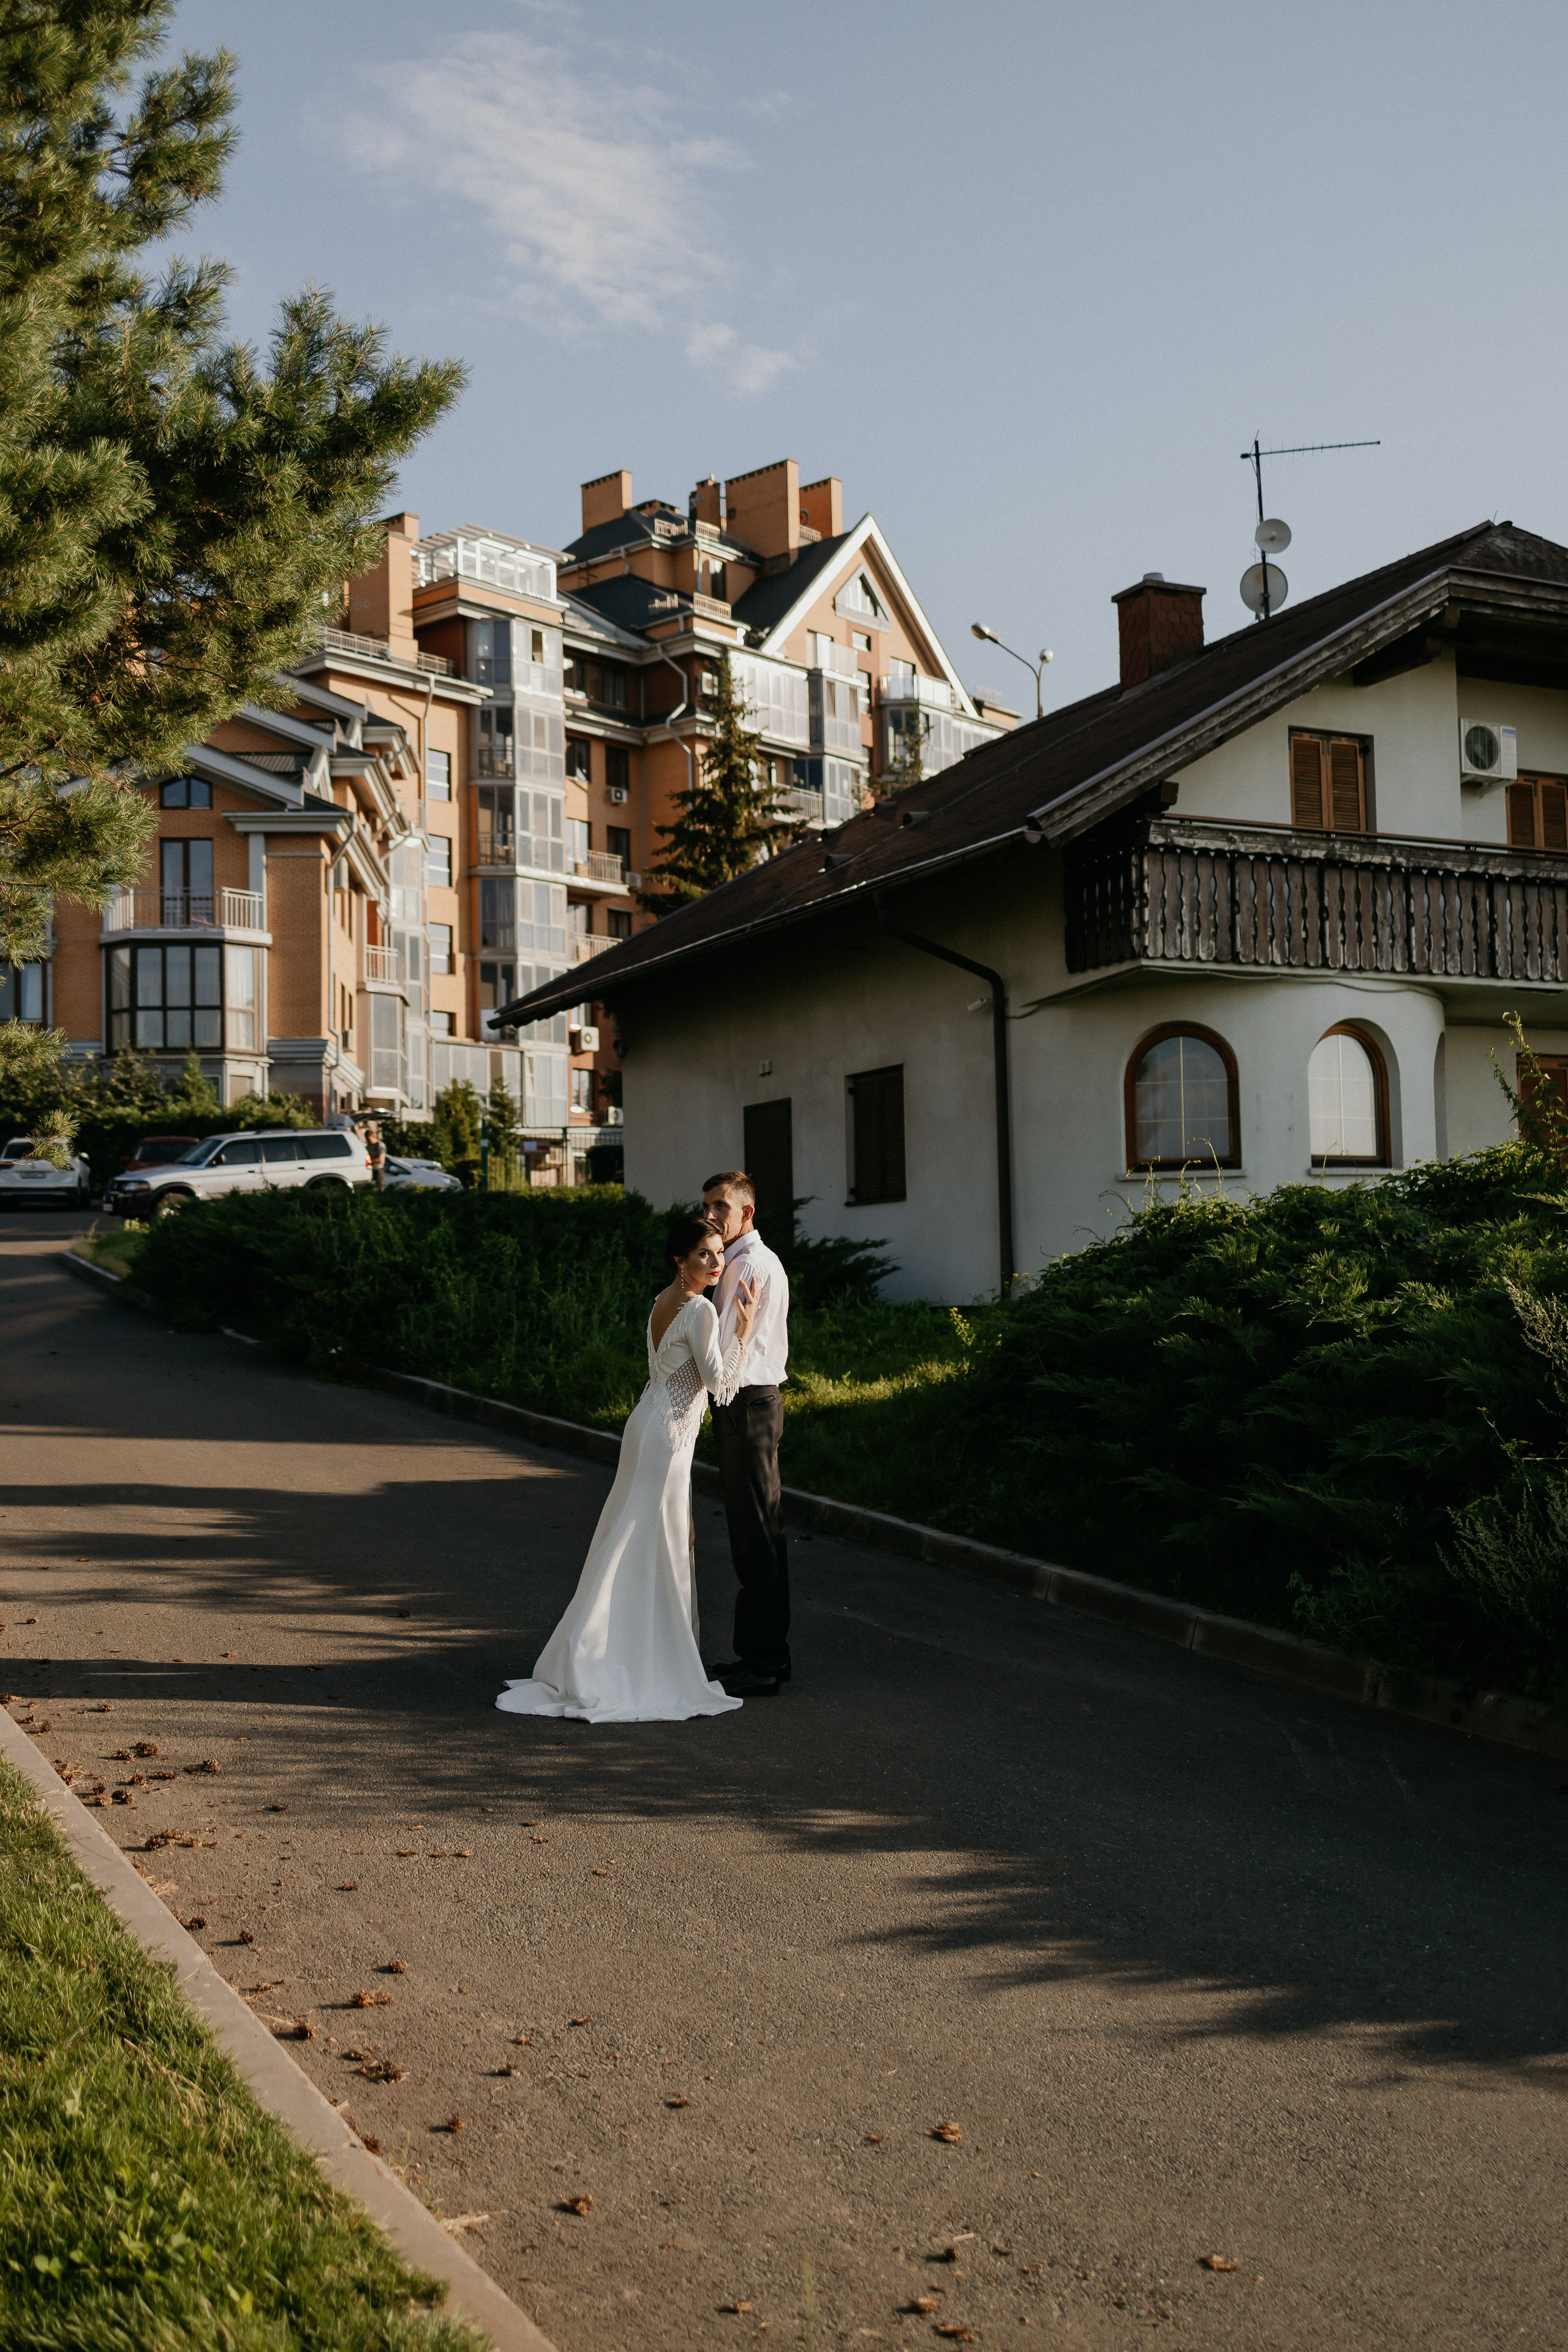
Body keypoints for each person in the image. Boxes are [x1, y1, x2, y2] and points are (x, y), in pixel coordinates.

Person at [495, 1215, 755, 1724]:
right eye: (705, 1254)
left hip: (647, 1424)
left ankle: (602, 1651)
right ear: (680, 1259)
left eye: (720, 1252)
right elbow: (720, 1383)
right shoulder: (700, 1308)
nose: (717, 1263)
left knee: (633, 1534)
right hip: (668, 1436)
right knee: (649, 1539)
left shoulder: (662, 1301)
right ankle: (631, 1663)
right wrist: (742, 1330)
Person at [701, 1170, 791, 1698]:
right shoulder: (741, 1260)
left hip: (748, 1405)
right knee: (759, 1533)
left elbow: (724, 1351)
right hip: (751, 1404)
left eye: (720, 1206)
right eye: (707, 1204)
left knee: (757, 1537)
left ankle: (763, 1660)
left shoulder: (750, 1265)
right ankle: (764, 1656)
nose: (711, 1214)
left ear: (746, 1213)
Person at [363, 1122, 386, 1192]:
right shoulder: (368, 1147)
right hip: (371, 1170)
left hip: (378, 1169)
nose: (367, 1140)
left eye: (368, 1139)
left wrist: (369, 1162)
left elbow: (381, 1160)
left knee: (379, 1188)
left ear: (372, 1137)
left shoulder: (380, 1145)